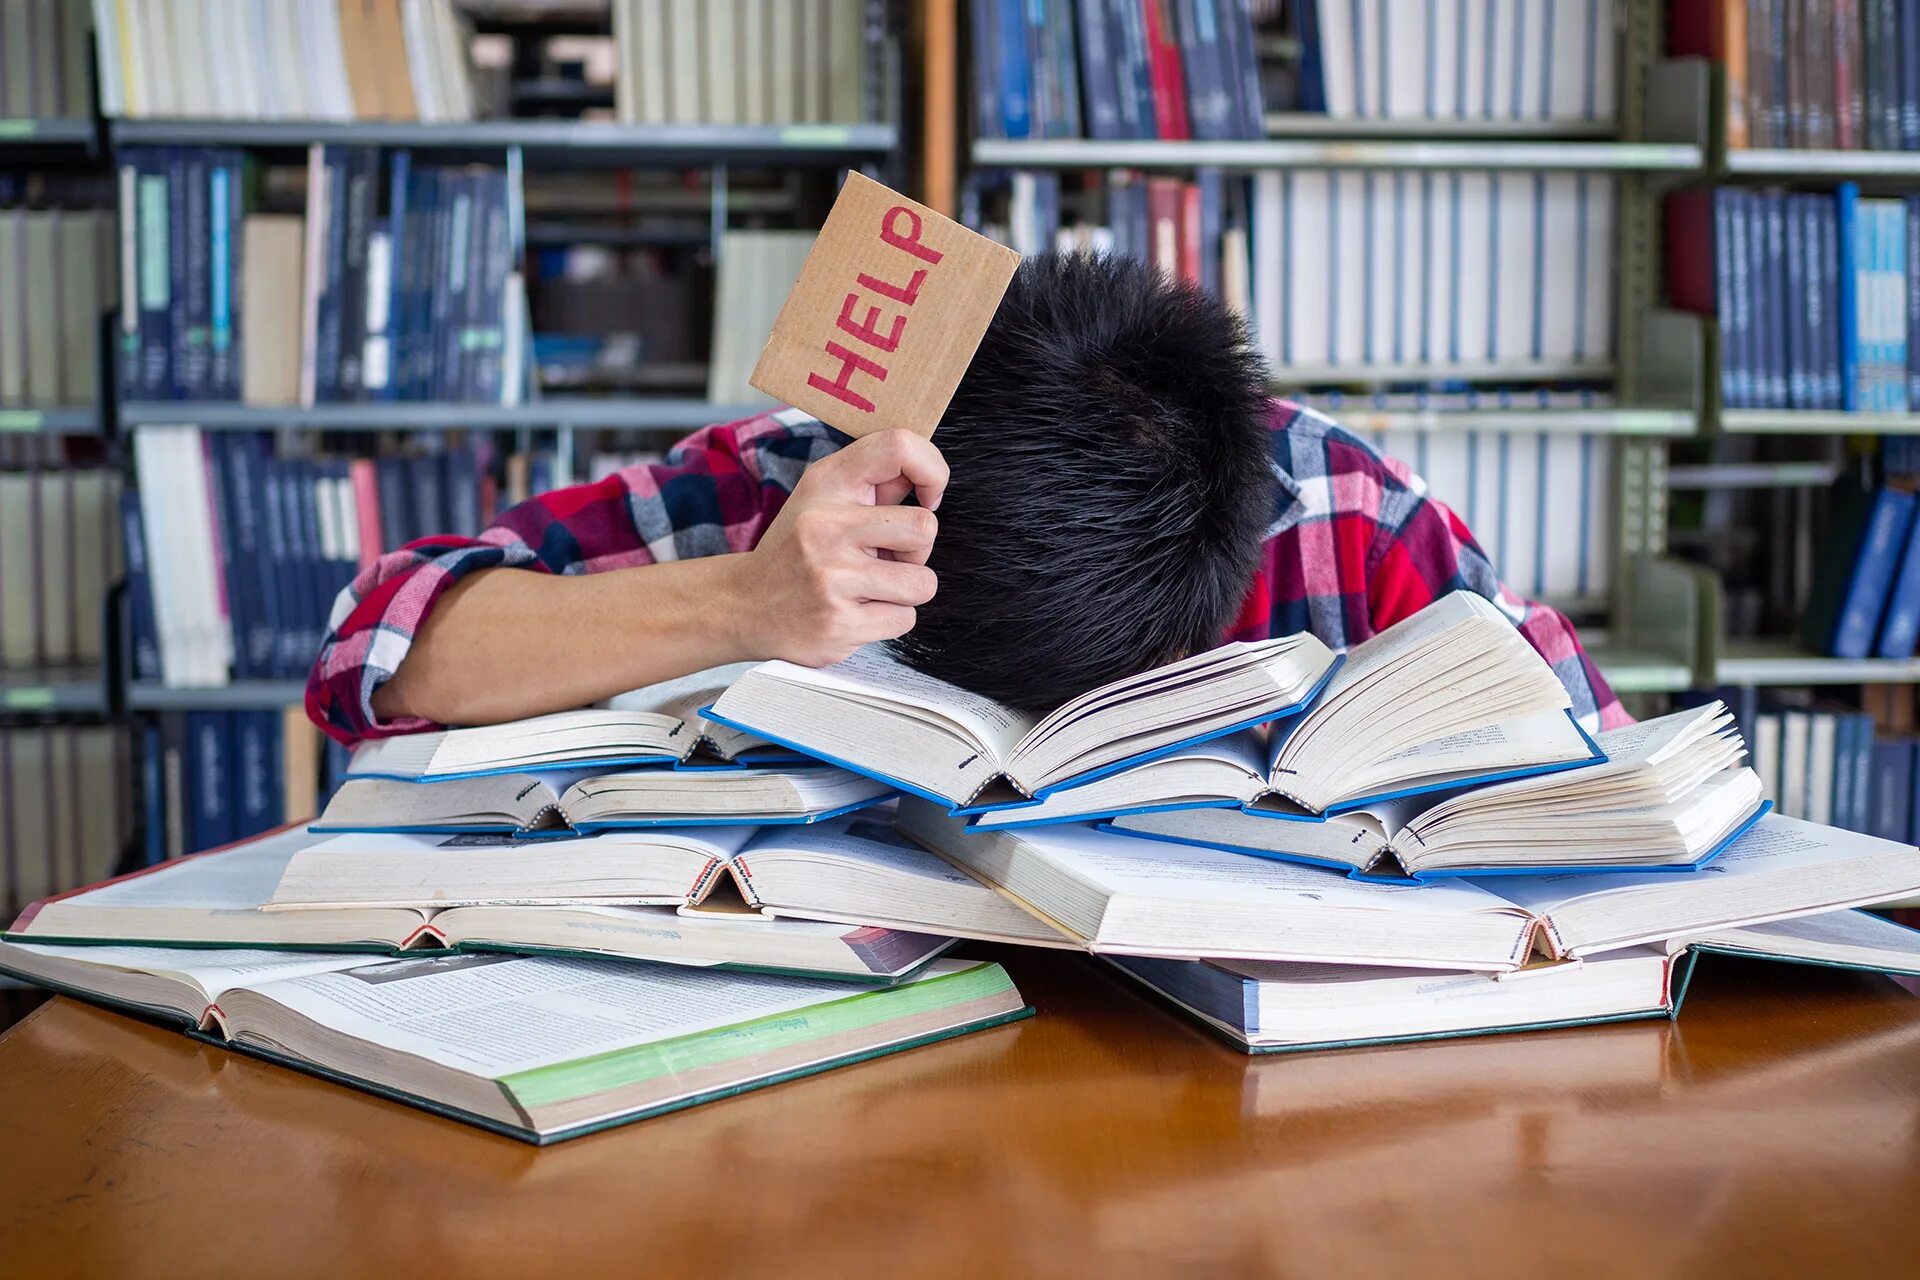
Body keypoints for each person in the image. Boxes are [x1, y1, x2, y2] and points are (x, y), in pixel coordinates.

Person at [307, 252, 1626, 746]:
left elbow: (1606, 762)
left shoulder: (1342, 513)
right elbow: (375, 648)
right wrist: (742, 599)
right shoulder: (795, 491)